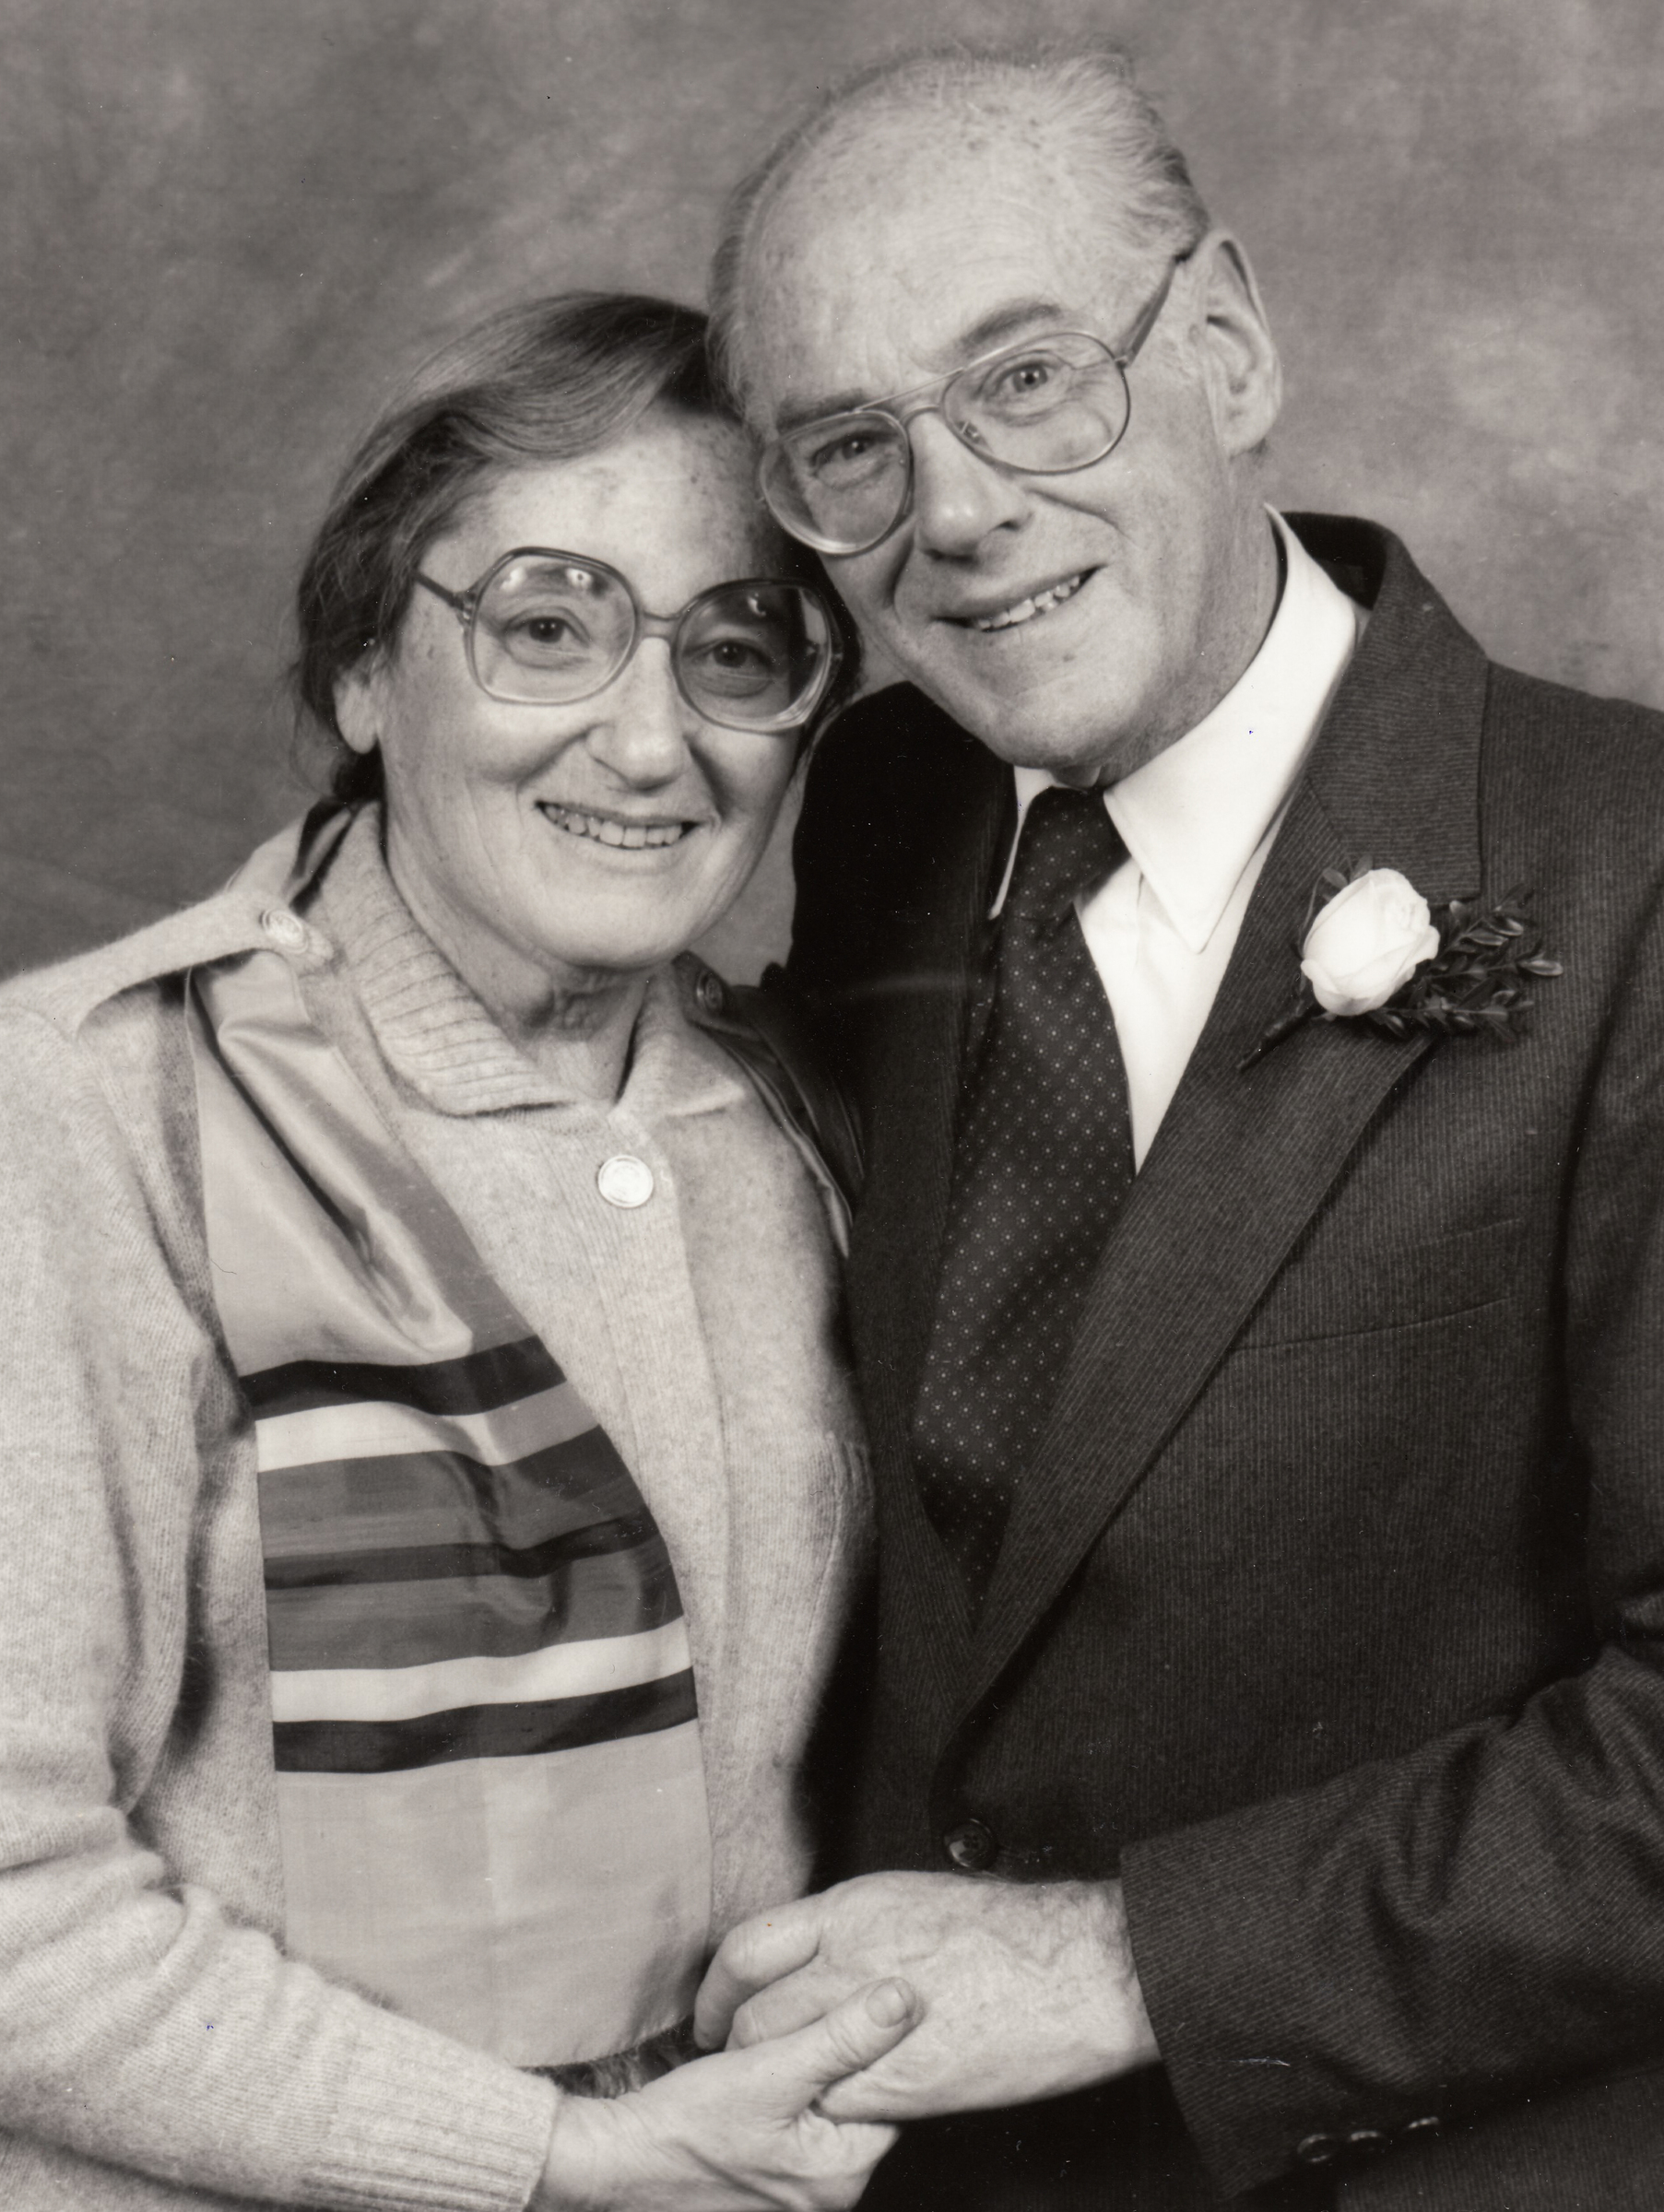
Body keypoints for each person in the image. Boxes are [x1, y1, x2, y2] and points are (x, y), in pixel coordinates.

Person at [691, 42, 1664, 2211]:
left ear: (1226, 346)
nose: (956, 513)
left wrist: (1124, 1963)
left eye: (1026, 380)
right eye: (850, 448)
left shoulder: (1660, 877)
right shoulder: (885, 813)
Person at [0, 288, 917, 2212]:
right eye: (547, 626)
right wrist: (557, 2161)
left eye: (736, 649)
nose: (649, 742)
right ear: (363, 668)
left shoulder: (801, 1122)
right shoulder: (81, 1113)